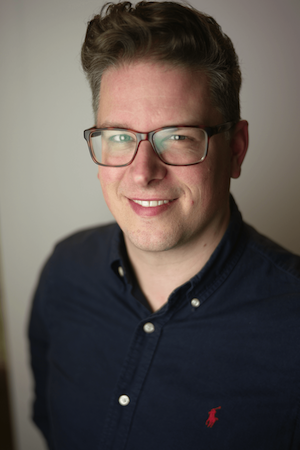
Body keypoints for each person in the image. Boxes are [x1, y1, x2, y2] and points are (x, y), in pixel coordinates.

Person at [28, 2, 300, 449]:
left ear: (236, 149)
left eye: (177, 136)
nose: (142, 172)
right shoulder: (64, 271)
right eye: (119, 136)